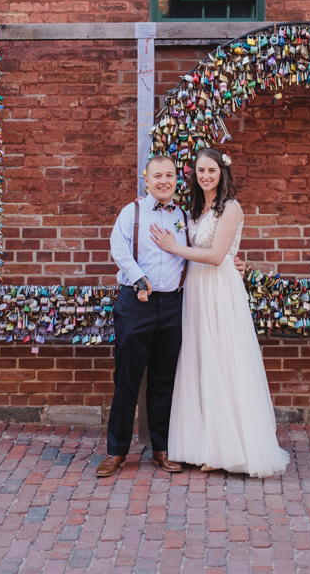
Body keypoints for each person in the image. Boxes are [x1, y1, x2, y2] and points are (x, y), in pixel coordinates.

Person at [150, 148, 289, 478]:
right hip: (196, 290)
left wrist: (173, 247)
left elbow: (214, 256)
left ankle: (231, 447)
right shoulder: (195, 210)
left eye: (211, 169)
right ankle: (203, 445)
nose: (205, 176)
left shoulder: (231, 208)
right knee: (200, 362)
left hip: (219, 289)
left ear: (222, 172)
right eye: (200, 170)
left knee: (224, 361)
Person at [99, 155, 189, 477]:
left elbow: (196, 253)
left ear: (176, 179)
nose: (164, 181)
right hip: (137, 304)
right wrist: (138, 277)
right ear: (146, 179)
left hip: (172, 306)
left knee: (164, 381)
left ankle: (161, 449)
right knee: (126, 380)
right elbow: (118, 247)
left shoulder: (183, 216)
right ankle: (116, 451)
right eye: (157, 176)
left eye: (170, 175)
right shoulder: (132, 211)